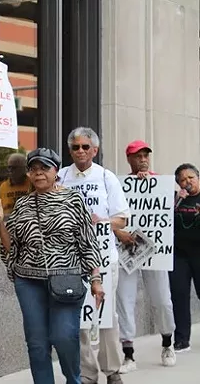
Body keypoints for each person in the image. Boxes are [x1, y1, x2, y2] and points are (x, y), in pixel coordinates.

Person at [0, 148, 103, 384]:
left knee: (64, 337)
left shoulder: (73, 200)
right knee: (37, 343)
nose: (39, 173)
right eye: (34, 169)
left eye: (45, 168)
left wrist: (95, 279)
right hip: (28, 281)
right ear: (29, 174)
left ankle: (74, 379)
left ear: (56, 171)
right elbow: (12, 248)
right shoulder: (22, 206)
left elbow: (88, 242)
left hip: (67, 280)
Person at [57, 127, 128, 384]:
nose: (80, 151)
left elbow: (121, 219)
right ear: (70, 151)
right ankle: (87, 373)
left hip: (104, 258)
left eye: (85, 147)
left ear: (95, 150)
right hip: (70, 260)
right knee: (78, 318)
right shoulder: (61, 177)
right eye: (76, 147)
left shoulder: (106, 177)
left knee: (106, 315)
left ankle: (112, 370)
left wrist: (103, 223)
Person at [115, 140, 176, 372]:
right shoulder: (119, 185)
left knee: (162, 299)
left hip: (155, 250)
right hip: (127, 249)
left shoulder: (159, 181)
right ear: (128, 159)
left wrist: (158, 186)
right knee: (125, 300)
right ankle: (128, 354)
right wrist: (120, 232)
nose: (142, 159)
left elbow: (168, 210)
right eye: (137, 156)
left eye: (145, 155)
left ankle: (167, 342)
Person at [170, 163, 200, 353]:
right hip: (179, 254)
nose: (187, 182)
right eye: (182, 180)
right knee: (179, 295)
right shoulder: (175, 199)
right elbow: (161, 219)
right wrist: (175, 202)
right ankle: (181, 339)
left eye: (191, 177)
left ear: (198, 177)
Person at [0, 153, 31, 217]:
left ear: (24, 168)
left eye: (14, 168)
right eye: (9, 167)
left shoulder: (32, 184)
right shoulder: (3, 186)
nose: (10, 170)